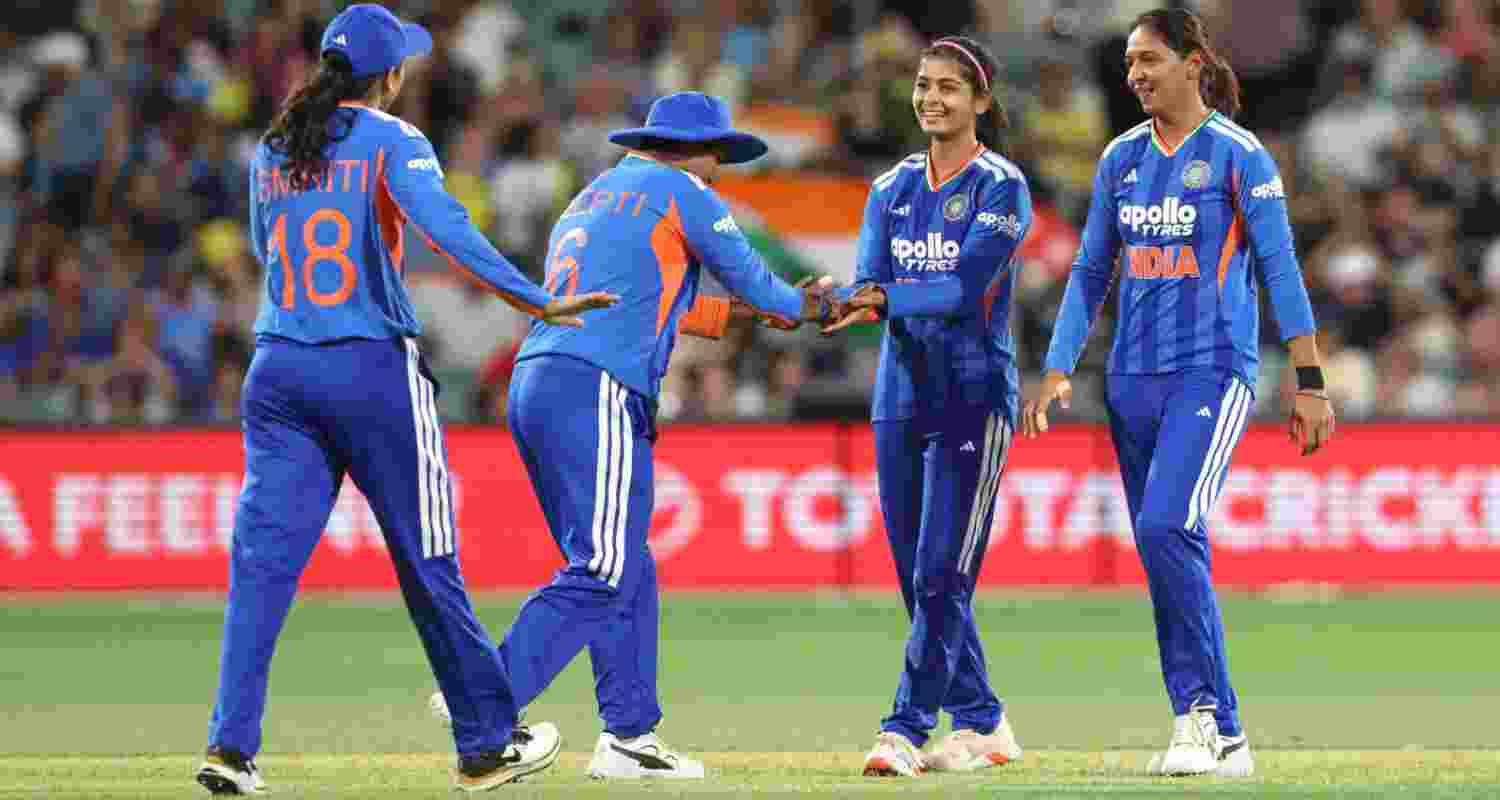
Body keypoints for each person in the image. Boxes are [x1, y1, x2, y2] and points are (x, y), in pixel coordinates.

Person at [196, 6, 616, 795]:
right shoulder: (395, 141)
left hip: (280, 369)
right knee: (429, 564)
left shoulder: (274, 148)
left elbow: (263, 249)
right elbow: (448, 231)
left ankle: (229, 746)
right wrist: (537, 301)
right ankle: (487, 745)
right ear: (390, 76)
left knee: (260, 569)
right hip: (371, 373)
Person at [430, 91, 832, 779]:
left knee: (623, 563)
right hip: (599, 384)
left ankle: (629, 736)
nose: (720, 171)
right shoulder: (684, 191)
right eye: (720, 157)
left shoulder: (593, 197)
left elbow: (656, 297)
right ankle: (484, 701)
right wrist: (805, 306)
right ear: (694, 150)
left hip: (541, 380)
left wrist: (749, 315)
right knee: (605, 566)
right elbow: (763, 287)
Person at [1023, 8, 1336, 778]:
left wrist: (1310, 379)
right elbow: (1093, 269)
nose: (1134, 74)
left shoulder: (1239, 155)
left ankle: (1207, 717)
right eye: (1129, 62)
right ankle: (1211, 726)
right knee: (1166, 547)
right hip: (1129, 380)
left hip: (1212, 369)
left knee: (1167, 526)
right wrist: (1060, 363)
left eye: (1149, 59)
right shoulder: (1121, 157)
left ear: (1194, 62)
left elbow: (1281, 270)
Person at [821, 35, 1032, 778]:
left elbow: (964, 287)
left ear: (981, 102)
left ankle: (904, 728)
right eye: (922, 84)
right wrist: (842, 302)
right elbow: (872, 282)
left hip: (973, 398)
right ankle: (983, 721)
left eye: (949, 87)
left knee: (944, 572)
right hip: (900, 396)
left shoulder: (1002, 186)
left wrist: (879, 295)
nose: (931, 98)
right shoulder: (891, 188)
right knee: (919, 575)